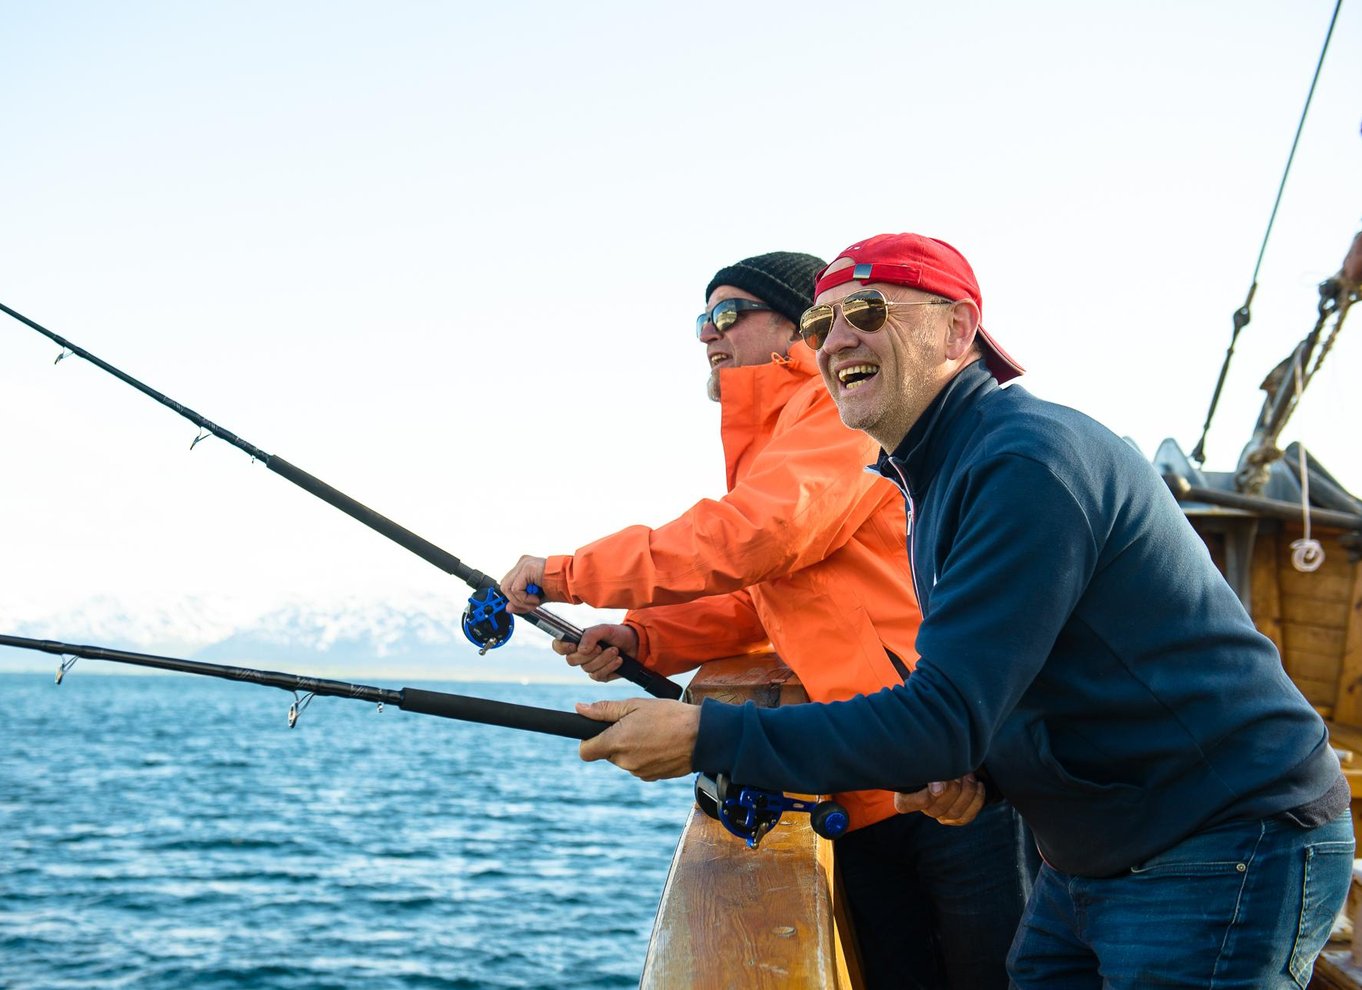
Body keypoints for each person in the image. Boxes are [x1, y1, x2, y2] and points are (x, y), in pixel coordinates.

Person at [570, 233, 1355, 988]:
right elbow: (1023, 668)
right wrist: (983, 773)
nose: (836, 338)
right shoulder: (937, 470)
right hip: (1096, 841)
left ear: (958, 330)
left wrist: (708, 734)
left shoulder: (1024, 464)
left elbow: (943, 713)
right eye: (821, 321)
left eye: (869, 311)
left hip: (1222, 838)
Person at [499, 251, 1033, 989]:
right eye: (701, 320)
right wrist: (642, 637)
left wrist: (566, 573)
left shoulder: (837, 417)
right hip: (864, 774)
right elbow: (762, 595)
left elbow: (754, 536)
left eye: (728, 315)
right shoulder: (778, 437)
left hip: (951, 773)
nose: (707, 335)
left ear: (799, 326)